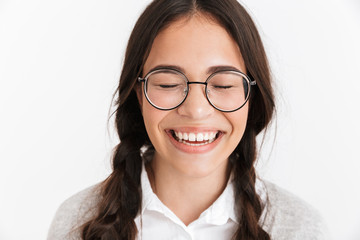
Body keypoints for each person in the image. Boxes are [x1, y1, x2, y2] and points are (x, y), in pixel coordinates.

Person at [47, 0, 329, 239]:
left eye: (222, 85)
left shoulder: (302, 229)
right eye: (168, 84)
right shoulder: (77, 223)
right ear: (138, 94)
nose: (196, 110)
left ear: (252, 96)